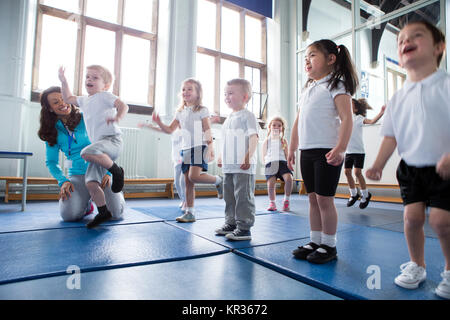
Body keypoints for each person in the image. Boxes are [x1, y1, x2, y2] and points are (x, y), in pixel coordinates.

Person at [366, 20, 450, 299]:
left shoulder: (446, 85)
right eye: (401, 39)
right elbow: (390, 136)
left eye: (416, 36)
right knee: (411, 218)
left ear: (439, 47)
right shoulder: (399, 98)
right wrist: (378, 164)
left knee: (441, 221)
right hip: (411, 168)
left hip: (443, 167)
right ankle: (417, 264)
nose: (405, 41)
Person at [288, 39, 358, 264]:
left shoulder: (336, 85)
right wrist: (291, 148)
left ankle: (329, 245)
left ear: (331, 59)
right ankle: (315, 240)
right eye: (305, 57)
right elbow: (298, 121)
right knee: (311, 200)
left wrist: (341, 148)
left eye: (312, 55)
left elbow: (347, 118)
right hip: (306, 151)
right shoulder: (308, 87)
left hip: (327, 150)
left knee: (324, 200)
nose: (307, 60)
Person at [38, 86, 125, 223]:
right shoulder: (52, 131)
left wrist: (108, 173)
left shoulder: (88, 118)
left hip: (100, 172)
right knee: (69, 216)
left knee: (115, 214)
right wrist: (63, 181)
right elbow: (51, 162)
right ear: (49, 108)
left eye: (63, 98)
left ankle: (109, 197)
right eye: (56, 102)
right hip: (77, 175)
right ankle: (87, 205)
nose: (62, 103)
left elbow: (110, 143)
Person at [58, 65, 129, 228]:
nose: (89, 80)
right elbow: (68, 98)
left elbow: (123, 106)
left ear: (105, 85)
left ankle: (117, 171)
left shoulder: (105, 96)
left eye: (95, 78)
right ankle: (103, 212)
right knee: (91, 182)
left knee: (86, 152)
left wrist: (118, 117)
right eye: (87, 77)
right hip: (99, 146)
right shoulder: (84, 100)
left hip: (112, 140)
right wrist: (63, 80)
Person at [152, 78, 223, 222]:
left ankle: (219, 180)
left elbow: (207, 129)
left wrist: (210, 147)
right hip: (185, 149)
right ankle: (190, 212)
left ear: (198, 93)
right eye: (183, 89)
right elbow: (170, 129)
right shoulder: (180, 112)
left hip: (199, 146)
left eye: (190, 89)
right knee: (188, 183)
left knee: (194, 176)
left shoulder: (202, 110)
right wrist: (159, 122)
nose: (186, 92)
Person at [215, 79, 259, 241]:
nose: (227, 97)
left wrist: (248, 156)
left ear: (245, 97)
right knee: (229, 197)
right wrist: (221, 156)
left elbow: (254, 137)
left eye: (231, 93)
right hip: (229, 166)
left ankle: (244, 227)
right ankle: (231, 222)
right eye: (225, 94)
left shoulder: (248, 116)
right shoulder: (228, 119)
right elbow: (225, 140)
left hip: (243, 167)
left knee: (243, 197)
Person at [345, 99, 385, 209]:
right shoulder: (345, 118)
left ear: (356, 109)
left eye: (351, 105)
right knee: (347, 172)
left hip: (358, 151)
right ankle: (353, 194)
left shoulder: (358, 119)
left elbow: (372, 121)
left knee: (357, 172)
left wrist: (381, 112)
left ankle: (366, 195)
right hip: (348, 151)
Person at [138, 122, 186, 211]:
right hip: (176, 159)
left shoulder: (187, 130)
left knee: (183, 182)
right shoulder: (173, 131)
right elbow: (160, 129)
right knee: (177, 183)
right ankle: (183, 200)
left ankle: (186, 202)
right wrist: (147, 126)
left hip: (185, 159)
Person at [262, 116, 293, 212]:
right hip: (271, 163)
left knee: (289, 179)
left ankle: (286, 200)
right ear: (270, 127)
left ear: (282, 128)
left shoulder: (283, 141)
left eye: (279, 125)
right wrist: (266, 165)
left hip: (283, 162)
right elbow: (264, 155)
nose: (276, 127)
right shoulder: (267, 141)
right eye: (274, 125)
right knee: (271, 184)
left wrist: (290, 163)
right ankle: (272, 202)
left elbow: (287, 154)